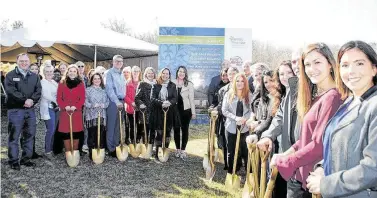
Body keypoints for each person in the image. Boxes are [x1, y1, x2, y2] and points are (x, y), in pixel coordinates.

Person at [270, 43, 343, 197]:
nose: (311, 69)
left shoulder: (333, 97)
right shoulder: (319, 96)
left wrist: (287, 162)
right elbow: (305, 139)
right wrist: (285, 155)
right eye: (307, 64)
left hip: (314, 181)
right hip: (303, 178)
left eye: (317, 62)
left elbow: (318, 145)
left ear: (330, 64)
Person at [307, 41, 377, 197]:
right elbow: (336, 146)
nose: (351, 71)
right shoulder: (349, 102)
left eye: (359, 63)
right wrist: (321, 167)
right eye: (345, 65)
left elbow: (373, 168)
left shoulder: (374, 106)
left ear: (374, 68)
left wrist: (326, 184)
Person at [255, 60, 300, 197]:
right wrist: (267, 136)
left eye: (289, 72)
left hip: (298, 155)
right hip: (283, 151)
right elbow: (278, 120)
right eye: (281, 74)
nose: (285, 77)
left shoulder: (302, 94)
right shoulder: (285, 95)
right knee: (279, 189)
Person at [5, 53, 42, 170]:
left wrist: (32, 100)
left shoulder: (34, 76)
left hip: (30, 110)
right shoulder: (10, 76)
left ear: (29, 62)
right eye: (21, 61)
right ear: (17, 61)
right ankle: (13, 161)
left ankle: (26, 159)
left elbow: (38, 91)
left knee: (29, 135)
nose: (24, 63)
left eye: (26, 61)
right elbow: (11, 91)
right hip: (16, 110)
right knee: (14, 136)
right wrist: (24, 100)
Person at [222, 73, 253, 175]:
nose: (240, 83)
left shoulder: (249, 94)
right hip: (231, 127)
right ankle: (231, 173)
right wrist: (236, 118)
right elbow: (224, 111)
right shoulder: (228, 94)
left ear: (245, 83)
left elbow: (252, 110)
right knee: (231, 151)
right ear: (234, 82)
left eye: (242, 81)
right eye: (238, 81)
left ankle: (250, 174)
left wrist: (245, 119)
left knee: (245, 151)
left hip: (244, 128)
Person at [56, 64, 86, 160]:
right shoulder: (62, 83)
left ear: (77, 73)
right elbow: (59, 98)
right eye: (70, 71)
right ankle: (68, 152)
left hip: (76, 112)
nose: (72, 73)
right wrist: (65, 106)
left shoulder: (81, 84)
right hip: (65, 112)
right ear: (67, 72)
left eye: (74, 71)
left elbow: (82, 98)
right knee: (66, 132)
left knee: (76, 132)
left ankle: (75, 151)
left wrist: (75, 106)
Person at [150, 68, 180, 157]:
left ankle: (165, 151)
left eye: (167, 74)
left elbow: (175, 98)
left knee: (167, 132)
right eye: (163, 73)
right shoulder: (155, 85)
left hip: (169, 112)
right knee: (159, 132)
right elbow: (152, 98)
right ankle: (158, 152)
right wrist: (162, 103)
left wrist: (169, 103)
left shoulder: (173, 85)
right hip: (158, 112)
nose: (165, 75)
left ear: (169, 75)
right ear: (161, 74)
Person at [173, 66, 196, 159]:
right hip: (174, 110)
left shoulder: (189, 84)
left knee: (185, 130)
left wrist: (193, 112)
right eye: (180, 71)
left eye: (183, 72)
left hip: (186, 110)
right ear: (177, 72)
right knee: (176, 130)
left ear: (185, 73)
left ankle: (183, 150)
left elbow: (191, 99)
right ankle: (177, 149)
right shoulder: (172, 83)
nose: (181, 73)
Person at [85, 73, 109, 160]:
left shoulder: (104, 90)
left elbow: (107, 102)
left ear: (101, 80)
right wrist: (93, 105)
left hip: (101, 115)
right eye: (95, 79)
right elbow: (85, 102)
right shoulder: (88, 90)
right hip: (91, 116)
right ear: (92, 80)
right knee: (92, 134)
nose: (97, 80)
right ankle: (92, 153)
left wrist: (104, 105)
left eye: (98, 78)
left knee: (101, 134)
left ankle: (100, 151)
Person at [105, 55, 126, 157]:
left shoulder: (121, 74)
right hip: (113, 102)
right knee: (111, 126)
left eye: (120, 62)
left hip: (121, 102)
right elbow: (109, 89)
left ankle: (116, 145)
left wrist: (123, 101)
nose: (119, 63)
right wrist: (117, 101)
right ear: (113, 62)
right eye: (117, 61)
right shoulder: (109, 73)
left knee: (118, 126)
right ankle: (110, 148)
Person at [135, 67, 157, 156]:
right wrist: (140, 104)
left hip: (155, 112)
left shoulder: (157, 84)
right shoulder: (142, 84)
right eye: (149, 73)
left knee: (152, 131)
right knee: (145, 130)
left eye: (152, 73)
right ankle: (145, 149)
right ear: (146, 74)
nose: (150, 75)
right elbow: (137, 98)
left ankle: (150, 149)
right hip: (145, 112)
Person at [40, 62, 58, 159]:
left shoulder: (54, 82)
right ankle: (47, 151)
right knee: (50, 129)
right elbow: (46, 95)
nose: (49, 73)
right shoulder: (43, 82)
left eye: (51, 71)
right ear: (44, 72)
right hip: (48, 108)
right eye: (47, 71)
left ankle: (51, 148)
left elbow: (58, 93)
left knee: (53, 129)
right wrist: (57, 100)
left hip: (55, 108)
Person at [124, 66, 142, 145]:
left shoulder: (142, 83)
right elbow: (125, 95)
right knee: (131, 125)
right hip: (130, 108)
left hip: (140, 108)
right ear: (132, 72)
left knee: (139, 125)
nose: (136, 73)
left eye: (137, 71)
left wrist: (140, 103)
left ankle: (138, 140)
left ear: (139, 73)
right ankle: (131, 140)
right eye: (134, 71)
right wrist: (131, 103)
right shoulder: (128, 83)